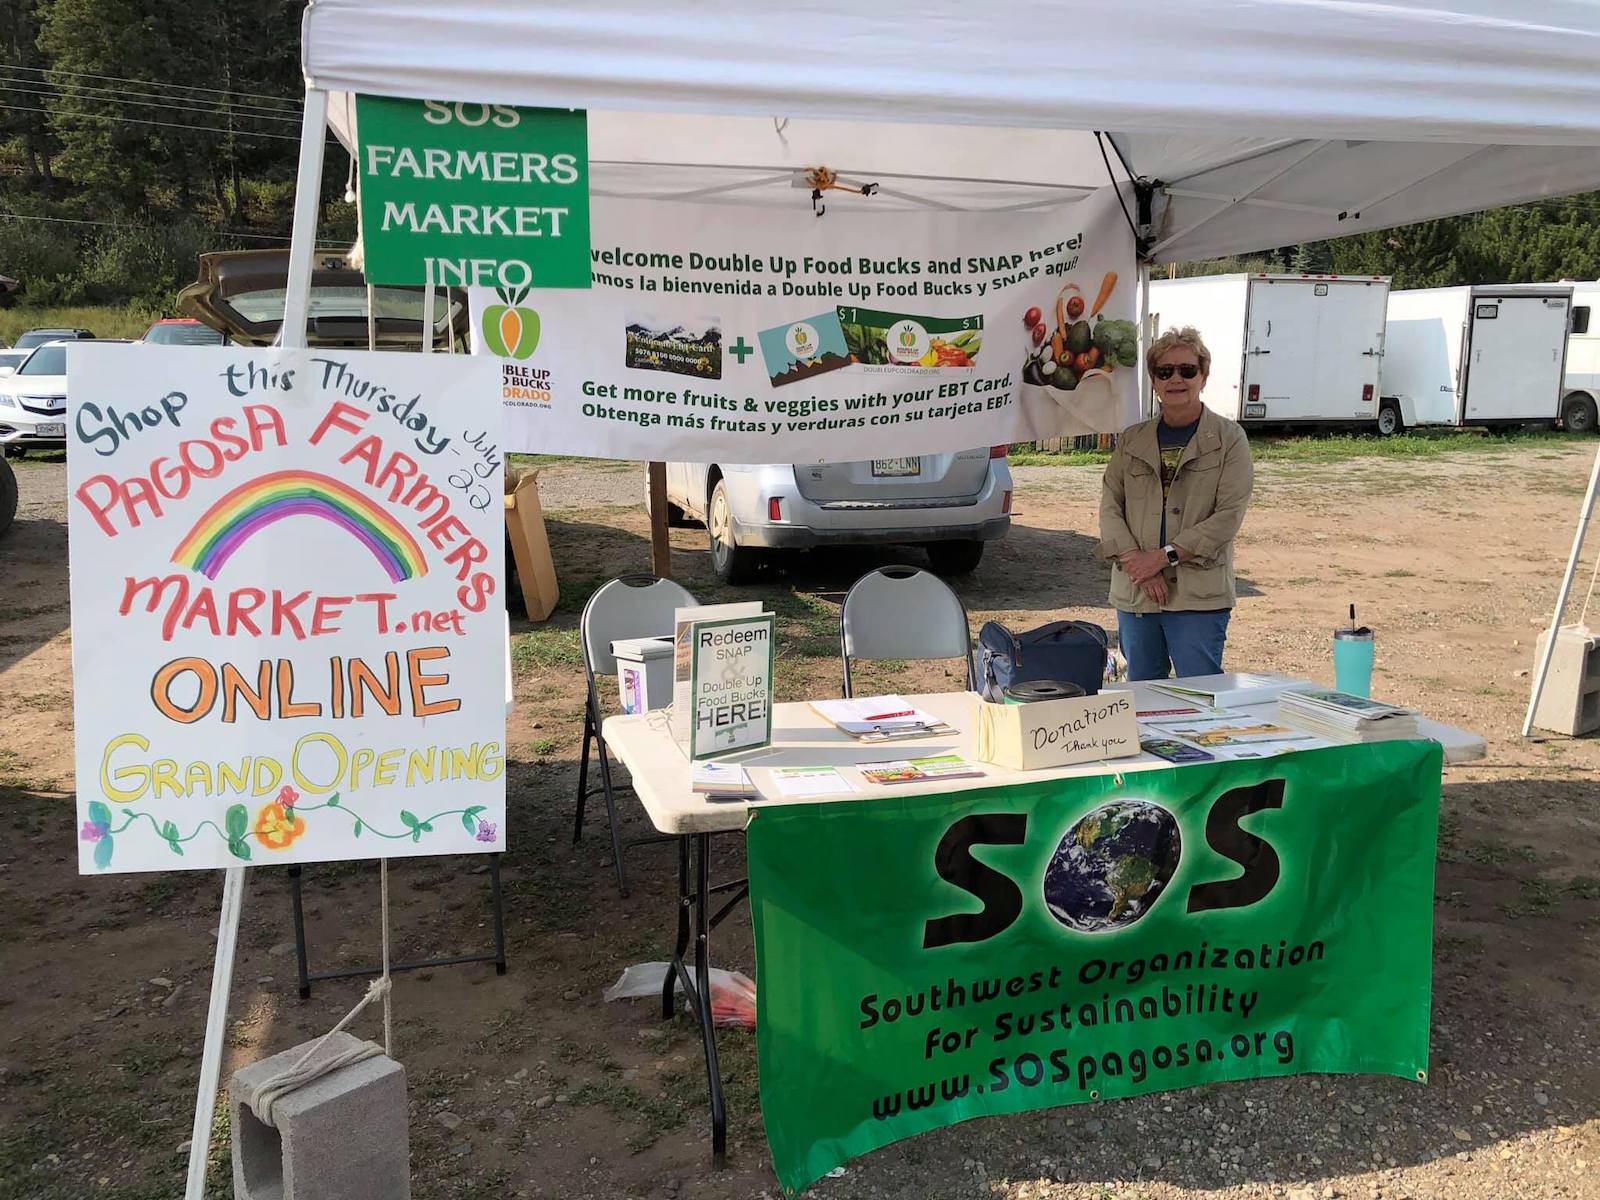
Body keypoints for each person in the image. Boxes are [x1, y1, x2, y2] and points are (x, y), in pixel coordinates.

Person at [1097, 326, 1253, 681]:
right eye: (1165, 371)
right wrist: (1138, 564)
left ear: (1204, 375)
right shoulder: (1131, 440)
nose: (1176, 379)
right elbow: (1110, 507)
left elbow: (1227, 517)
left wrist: (1162, 557)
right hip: (1136, 591)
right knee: (1142, 698)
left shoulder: (1230, 440)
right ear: (1154, 380)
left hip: (1198, 596)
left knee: (1201, 696)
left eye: (1187, 370)